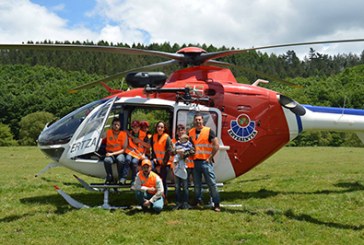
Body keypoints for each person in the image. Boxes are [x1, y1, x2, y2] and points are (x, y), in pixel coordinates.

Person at [189, 113, 221, 212]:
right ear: (194, 121)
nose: (198, 121)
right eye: (196, 120)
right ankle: (198, 200)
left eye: (200, 120)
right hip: (195, 162)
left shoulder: (208, 131)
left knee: (211, 183)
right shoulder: (191, 132)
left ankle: (216, 203)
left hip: (205, 162)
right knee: (197, 184)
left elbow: (216, 145)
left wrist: (210, 157)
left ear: (203, 121)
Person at [151, 121, 173, 203]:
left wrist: (162, 165)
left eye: (162, 127)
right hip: (157, 162)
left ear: (164, 129)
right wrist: (153, 158)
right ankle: (156, 197)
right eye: (158, 127)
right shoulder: (154, 136)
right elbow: (153, 149)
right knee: (155, 181)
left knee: (163, 181)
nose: (160, 128)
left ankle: (165, 198)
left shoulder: (166, 137)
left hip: (165, 163)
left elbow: (168, 151)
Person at [123, 120, 150, 185]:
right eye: (133, 127)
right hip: (131, 152)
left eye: (137, 127)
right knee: (127, 159)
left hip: (139, 154)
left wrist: (143, 154)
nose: (135, 129)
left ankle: (134, 180)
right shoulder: (129, 133)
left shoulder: (145, 135)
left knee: (134, 162)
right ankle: (123, 177)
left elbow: (147, 146)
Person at [172, 133, 194, 210]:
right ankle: (178, 202)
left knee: (185, 186)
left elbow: (192, 151)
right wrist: (178, 151)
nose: (181, 140)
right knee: (177, 186)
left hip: (185, 166)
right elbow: (172, 151)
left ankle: (185, 203)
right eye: (181, 138)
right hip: (177, 166)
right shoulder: (176, 143)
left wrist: (184, 154)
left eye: (183, 139)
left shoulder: (189, 144)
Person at [103, 117, 128, 184]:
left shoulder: (123, 134)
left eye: (118, 125)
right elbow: (100, 136)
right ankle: (110, 177)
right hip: (110, 153)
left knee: (120, 160)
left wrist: (112, 154)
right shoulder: (108, 132)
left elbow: (124, 149)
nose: (116, 126)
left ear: (120, 126)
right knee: (107, 160)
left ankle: (120, 178)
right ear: (112, 125)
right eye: (114, 124)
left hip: (120, 153)